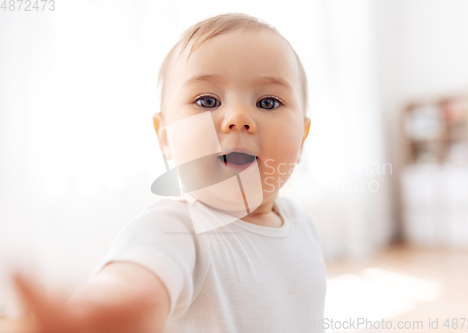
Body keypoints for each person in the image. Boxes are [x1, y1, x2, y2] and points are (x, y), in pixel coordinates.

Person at [0, 12, 327, 333]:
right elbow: (138, 276)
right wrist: (104, 308)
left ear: (302, 138)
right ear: (166, 136)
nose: (238, 118)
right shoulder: (176, 230)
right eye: (208, 100)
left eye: (268, 102)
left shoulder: (302, 225)